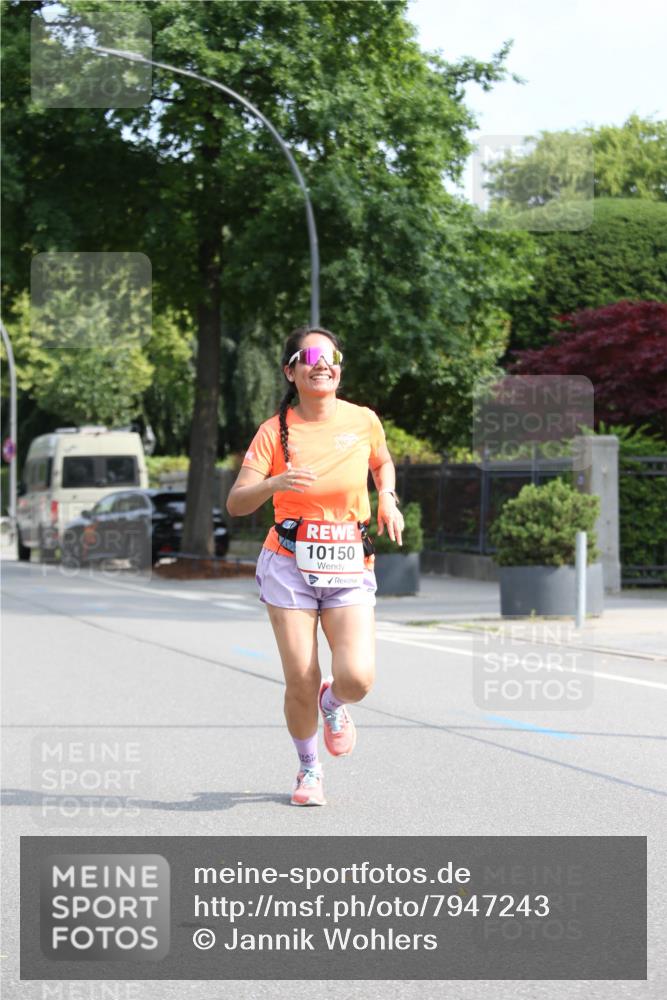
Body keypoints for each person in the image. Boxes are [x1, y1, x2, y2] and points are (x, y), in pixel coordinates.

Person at [227, 325, 404, 806]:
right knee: (300, 677)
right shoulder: (273, 431)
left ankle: (334, 704)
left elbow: (381, 463)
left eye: (331, 356)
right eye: (309, 356)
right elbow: (237, 502)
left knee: (358, 679)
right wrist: (274, 482)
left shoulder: (363, 420)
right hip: (288, 562)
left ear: (339, 368)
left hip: (349, 561)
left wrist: (386, 498)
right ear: (291, 371)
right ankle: (308, 769)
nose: (322, 363)